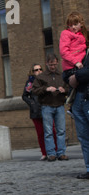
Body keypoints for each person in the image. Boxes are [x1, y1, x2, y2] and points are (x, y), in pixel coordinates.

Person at [32, 54, 69, 161]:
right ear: (47, 64)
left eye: (55, 64)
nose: (53, 67)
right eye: (51, 65)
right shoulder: (41, 77)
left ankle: (61, 153)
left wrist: (64, 90)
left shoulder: (62, 75)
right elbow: (34, 90)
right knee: (48, 131)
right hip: (46, 106)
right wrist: (46, 89)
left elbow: (69, 87)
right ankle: (51, 153)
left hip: (60, 105)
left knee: (61, 130)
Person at [22, 64, 57, 160]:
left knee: (51, 131)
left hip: (47, 107)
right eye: (36, 70)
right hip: (36, 110)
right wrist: (32, 103)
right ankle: (44, 153)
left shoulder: (46, 80)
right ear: (33, 72)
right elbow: (24, 96)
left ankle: (55, 150)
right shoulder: (30, 83)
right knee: (41, 133)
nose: (39, 71)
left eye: (40, 69)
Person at [68, 21, 89, 179]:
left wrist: (76, 76)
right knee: (83, 136)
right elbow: (67, 73)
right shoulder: (82, 52)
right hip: (79, 97)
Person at [59, 12, 89, 116]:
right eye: (70, 25)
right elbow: (63, 52)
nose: (73, 27)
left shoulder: (82, 35)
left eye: (75, 24)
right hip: (72, 66)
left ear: (81, 23)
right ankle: (72, 107)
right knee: (76, 87)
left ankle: (72, 107)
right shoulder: (66, 34)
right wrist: (75, 62)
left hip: (79, 65)